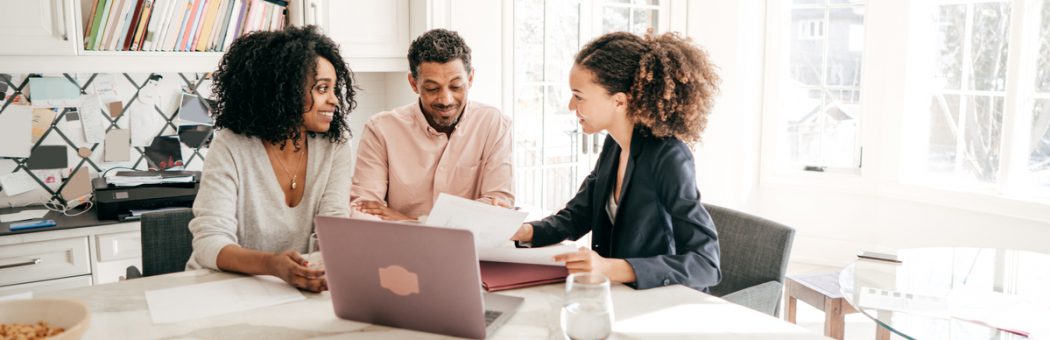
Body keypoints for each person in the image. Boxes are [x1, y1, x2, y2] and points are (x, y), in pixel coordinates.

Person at [510, 31, 722, 292]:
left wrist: (610, 269)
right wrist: (523, 232)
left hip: (661, 301)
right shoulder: (614, 144)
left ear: (619, 101)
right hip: (620, 296)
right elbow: (577, 216)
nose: (570, 106)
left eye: (579, 96)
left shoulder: (669, 157)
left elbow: (706, 264)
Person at [187, 26, 357, 293]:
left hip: (295, 287)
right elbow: (209, 243)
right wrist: (273, 265)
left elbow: (334, 228)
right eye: (322, 88)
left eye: (335, 89)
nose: (334, 100)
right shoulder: (231, 146)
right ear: (285, 89)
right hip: (223, 289)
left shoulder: (335, 147)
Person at [351, 29, 513, 220]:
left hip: (471, 249)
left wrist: (409, 221)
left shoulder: (494, 125)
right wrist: (469, 216)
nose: (446, 100)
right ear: (413, 83)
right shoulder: (380, 130)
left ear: (470, 79)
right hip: (400, 249)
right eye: (432, 88)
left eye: (456, 86)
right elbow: (364, 211)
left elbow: (499, 207)